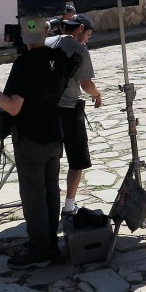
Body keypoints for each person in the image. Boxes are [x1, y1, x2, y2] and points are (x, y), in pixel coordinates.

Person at [0, 15, 67, 270]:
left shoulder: (24, 64)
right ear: (46, 32)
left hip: (31, 138)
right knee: (51, 191)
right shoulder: (59, 57)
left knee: (34, 196)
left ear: (23, 36)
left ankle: (39, 251)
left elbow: (13, 107)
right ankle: (51, 244)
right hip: (54, 133)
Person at [46, 13, 102, 220]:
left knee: (49, 160)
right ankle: (69, 205)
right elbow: (86, 84)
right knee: (77, 160)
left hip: (47, 110)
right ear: (80, 29)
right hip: (69, 110)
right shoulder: (80, 50)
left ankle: (47, 204)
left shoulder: (47, 43)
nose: (88, 39)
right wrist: (97, 95)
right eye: (88, 34)